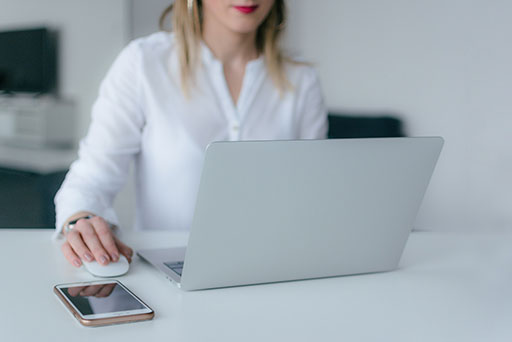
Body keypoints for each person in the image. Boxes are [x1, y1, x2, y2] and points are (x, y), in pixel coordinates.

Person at [54, 0, 328, 268]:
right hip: (168, 270)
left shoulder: (302, 79)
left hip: (274, 267)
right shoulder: (144, 63)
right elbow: (91, 178)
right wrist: (80, 220)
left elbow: (313, 193)